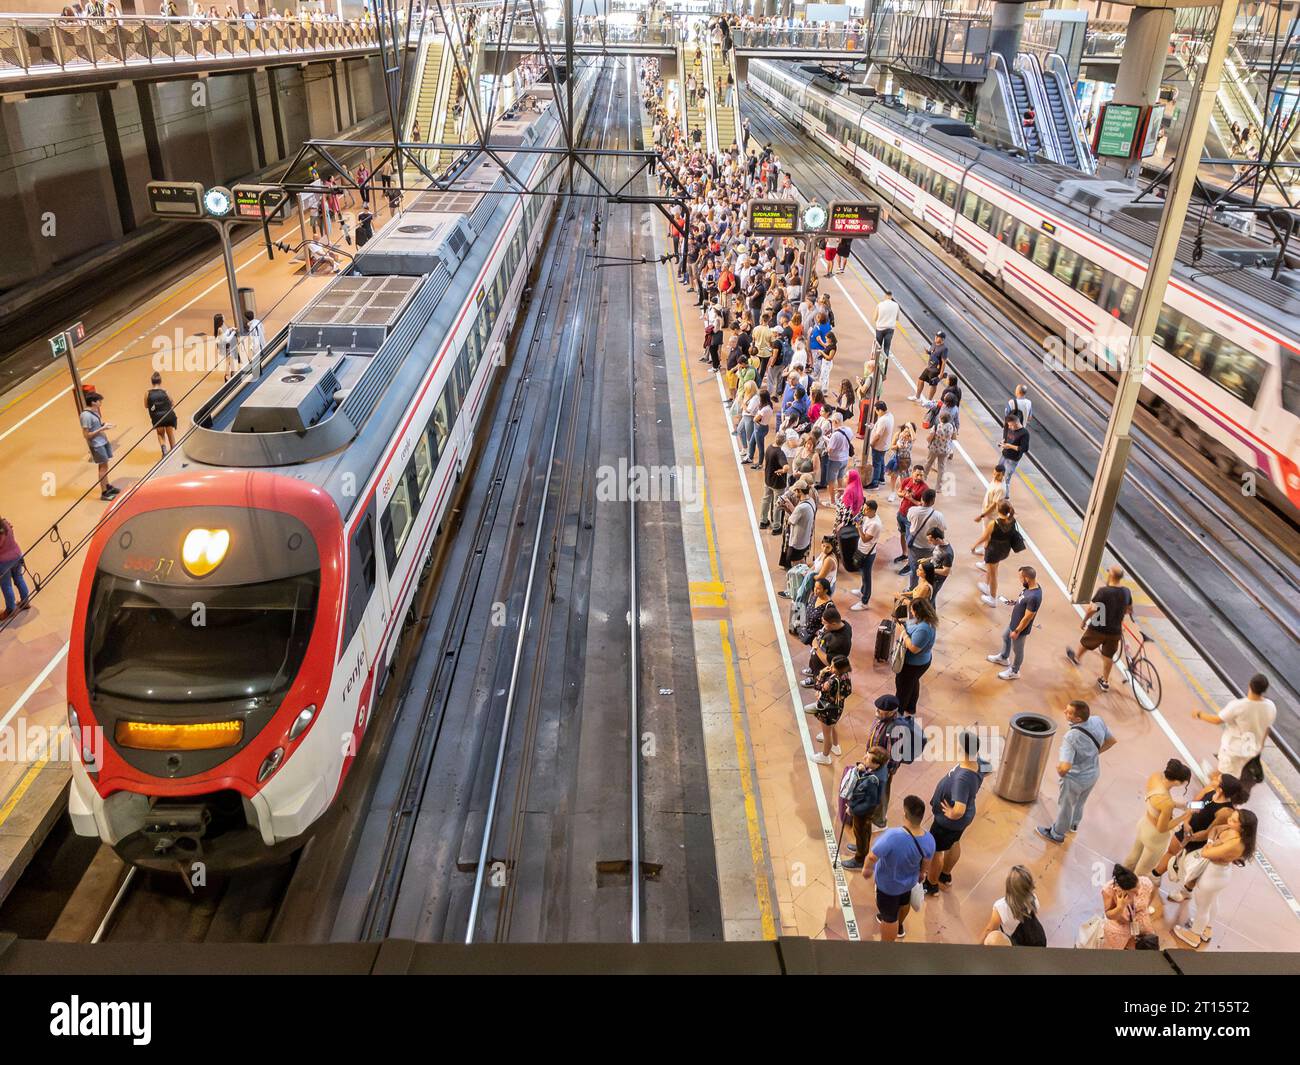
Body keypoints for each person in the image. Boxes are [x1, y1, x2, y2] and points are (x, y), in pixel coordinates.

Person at [1172, 809, 1257, 948]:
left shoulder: (1236, 844)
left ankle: (1194, 935)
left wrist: (1210, 845)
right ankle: (1207, 928)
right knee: (1212, 901)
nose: (1229, 821)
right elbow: (1216, 828)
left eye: (1234, 821)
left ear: (1243, 828)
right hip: (1219, 873)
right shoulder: (1232, 831)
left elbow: (1206, 853)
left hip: (1213, 876)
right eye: (1231, 817)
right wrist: (1212, 841)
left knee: (1202, 907)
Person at [1037, 700, 1116, 844]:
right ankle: (1073, 824)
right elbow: (1111, 740)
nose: (1064, 713)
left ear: (1078, 719)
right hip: (1093, 773)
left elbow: (1065, 767)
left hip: (1075, 779)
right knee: (1080, 802)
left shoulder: (1071, 737)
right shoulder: (1097, 721)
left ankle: (1057, 834)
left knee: (1065, 806)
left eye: (1068, 712)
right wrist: (1093, 753)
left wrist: (1060, 771)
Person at [864, 794, 934, 941]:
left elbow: (872, 856)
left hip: (888, 886)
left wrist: (867, 869)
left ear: (905, 814)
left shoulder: (892, 836)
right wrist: (922, 873)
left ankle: (887, 945)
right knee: (904, 902)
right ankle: (900, 925)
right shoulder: (929, 839)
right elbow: (927, 860)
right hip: (909, 882)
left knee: (889, 918)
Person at [922, 729, 982, 895]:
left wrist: (951, 814)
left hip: (948, 823)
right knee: (954, 842)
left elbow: (959, 810)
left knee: (936, 851)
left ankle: (931, 884)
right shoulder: (977, 762)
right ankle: (945, 875)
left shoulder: (962, 778)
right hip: (961, 822)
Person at [1194, 673, 1277, 779]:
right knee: (1233, 771)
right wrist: (1260, 747)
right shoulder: (1271, 706)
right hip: (1251, 749)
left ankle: (1214, 784)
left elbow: (1217, 720)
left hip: (1233, 748)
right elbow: (1267, 728)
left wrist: (1199, 714)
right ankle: (1217, 778)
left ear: (1250, 685)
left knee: (1223, 774)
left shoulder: (1238, 705)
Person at [1066, 564, 1133, 693]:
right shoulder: (1126, 591)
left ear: (1111, 575)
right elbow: (1129, 609)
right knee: (1108, 656)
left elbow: (1092, 609)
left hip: (1098, 626)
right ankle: (1105, 681)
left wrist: (1084, 621)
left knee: (1085, 642)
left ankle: (1076, 658)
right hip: (1115, 631)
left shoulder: (1104, 591)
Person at [1124, 759, 1192, 877]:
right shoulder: (1167, 803)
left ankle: (1121, 877)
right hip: (1154, 838)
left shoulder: (1155, 777)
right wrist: (1184, 816)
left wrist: (1179, 805)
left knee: (1133, 855)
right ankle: (1131, 888)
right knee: (1143, 870)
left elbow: (1157, 802)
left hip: (1144, 824)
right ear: (1176, 782)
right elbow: (1162, 828)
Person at [987, 565, 1041, 680]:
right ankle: (1004, 657)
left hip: (1020, 628)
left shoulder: (1034, 597)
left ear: (1027, 578)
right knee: (1005, 637)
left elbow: (1028, 617)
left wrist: (1017, 631)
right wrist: (1016, 602)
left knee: (1018, 650)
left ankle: (1015, 671)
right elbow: (1024, 600)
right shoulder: (1030, 587)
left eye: (1021, 578)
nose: (1020, 580)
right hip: (1014, 622)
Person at [839, 744, 888, 862]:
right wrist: (864, 768)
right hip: (863, 809)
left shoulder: (873, 781)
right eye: (866, 755)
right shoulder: (879, 769)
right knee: (863, 832)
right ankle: (862, 847)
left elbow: (870, 803)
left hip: (863, 812)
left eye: (867, 759)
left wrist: (852, 810)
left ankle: (859, 859)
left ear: (876, 764)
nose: (864, 758)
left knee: (861, 832)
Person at [980, 866, 1045, 946]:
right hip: (1038, 939)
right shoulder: (1034, 898)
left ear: (1009, 886)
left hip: (1018, 943)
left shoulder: (1001, 907)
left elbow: (989, 930)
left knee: (991, 938)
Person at [895, 598, 936, 717]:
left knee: (903, 688)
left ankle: (899, 713)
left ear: (919, 612)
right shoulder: (927, 619)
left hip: (913, 664)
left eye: (912, 610)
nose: (911, 613)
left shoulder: (924, 629)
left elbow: (913, 648)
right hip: (920, 662)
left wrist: (902, 632)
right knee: (912, 684)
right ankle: (911, 708)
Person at [1100, 864, 1157, 949]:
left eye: (1138, 888)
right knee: (1114, 948)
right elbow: (1109, 915)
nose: (1138, 893)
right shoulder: (1109, 891)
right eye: (1133, 891)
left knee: (1150, 941)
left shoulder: (1145, 883)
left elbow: (1150, 896)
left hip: (1140, 919)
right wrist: (1120, 907)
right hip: (1120, 925)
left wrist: (1144, 911)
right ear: (1123, 890)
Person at [810, 655, 853, 764]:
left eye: (833, 666)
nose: (830, 667)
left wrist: (821, 673)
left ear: (838, 669)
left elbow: (818, 686)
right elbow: (847, 692)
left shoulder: (832, 681)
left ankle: (825, 756)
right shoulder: (846, 676)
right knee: (834, 725)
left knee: (826, 735)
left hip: (828, 709)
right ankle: (835, 745)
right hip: (838, 708)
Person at [978, 500, 1019, 606]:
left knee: (993, 574)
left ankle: (993, 598)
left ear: (997, 509)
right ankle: (987, 587)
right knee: (993, 569)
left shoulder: (994, 523)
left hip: (993, 551)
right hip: (1004, 550)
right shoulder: (1012, 520)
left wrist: (973, 547)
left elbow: (984, 537)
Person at [803, 604, 852, 690]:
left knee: (820, 679)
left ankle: (815, 681)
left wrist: (816, 647)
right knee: (815, 668)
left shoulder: (840, 641)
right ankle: (813, 672)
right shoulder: (844, 624)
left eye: (825, 623)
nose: (823, 625)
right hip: (819, 658)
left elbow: (829, 662)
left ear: (833, 624)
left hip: (823, 668)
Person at [80, 392, 118, 500]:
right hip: (97, 444)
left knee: (105, 466)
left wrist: (104, 425)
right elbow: (86, 434)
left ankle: (107, 486)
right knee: (102, 467)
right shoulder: (86, 416)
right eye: (99, 401)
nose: (100, 403)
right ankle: (104, 492)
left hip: (102, 441)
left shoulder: (94, 412)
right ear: (93, 402)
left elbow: (95, 426)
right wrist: (102, 429)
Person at [850, 499, 882, 611]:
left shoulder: (875, 524)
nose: (863, 510)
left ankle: (864, 602)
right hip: (862, 550)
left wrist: (858, 527)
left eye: (866, 509)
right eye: (863, 508)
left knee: (867, 576)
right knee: (862, 573)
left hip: (867, 553)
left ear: (872, 510)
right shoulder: (868, 516)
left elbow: (864, 539)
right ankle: (862, 591)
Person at [971, 464, 1007, 557]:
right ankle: (984, 549)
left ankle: (986, 559)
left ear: (1003, 474)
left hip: (991, 515)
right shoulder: (995, 480)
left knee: (988, 536)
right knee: (985, 533)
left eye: (998, 475)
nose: (995, 476)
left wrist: (982, 515)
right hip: (986, 512)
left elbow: (994, 505)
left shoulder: (1001, 489)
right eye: (994, 473)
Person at [0, 516, 32, 621]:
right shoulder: (5, 523)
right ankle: (25, 602)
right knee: (19, 578)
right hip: (17, 555)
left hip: (4, 561)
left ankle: (11, 609)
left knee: (6, 585)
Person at [909, 330, 947, 404]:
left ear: (942, 339)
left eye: (938, 337)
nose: (936, 337)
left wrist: (941, 373)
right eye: (936, 336)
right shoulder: (934, 343)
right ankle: (917, 396)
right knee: (920, 380)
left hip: (935, 370)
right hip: (929, 367)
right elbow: (932, 352)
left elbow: (944, 361)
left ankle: (929, 400)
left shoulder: (944, 348)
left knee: (933, 384)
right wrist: (928, 352)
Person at [145, 371, 177, 456]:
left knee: (160, 433)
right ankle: (173, 450)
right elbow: (173, 403)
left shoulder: (147, 393)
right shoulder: (165, 391)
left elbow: (146, 405)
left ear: (152, 382)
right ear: (160, 381)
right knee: (170, 434)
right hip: (168, 415)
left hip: (157, 417)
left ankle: (164, 449)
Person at [999, 412, 1030, 496]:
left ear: (1016, 423)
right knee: (999, 473)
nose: (1009, 427)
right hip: (1004, 454)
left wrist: (1010, 446)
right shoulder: (1008, 426)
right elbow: (1005, 434)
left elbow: (1024, 449)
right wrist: (1003, 441)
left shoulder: (1024, 433)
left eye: (1010, 425)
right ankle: (998, 491)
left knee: (1006, 478)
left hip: (1013, 459)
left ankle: (1006, 496)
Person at [923, 526, 953, 604]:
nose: (929, 542)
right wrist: (927, 559)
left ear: (937, 539)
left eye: (930, 540)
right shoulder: (939, 545)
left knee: (930, 599)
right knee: (927, 596)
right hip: (932, 574)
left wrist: (929, 569)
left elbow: (946, 571)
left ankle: (930, 614)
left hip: (937, 580)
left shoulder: (947, 553)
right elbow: (937, 556)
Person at [866, 400, 893, 489]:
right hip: (885, 444)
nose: (877, 413)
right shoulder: (890, 416)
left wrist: (872, 443)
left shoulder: (883, 420)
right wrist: (874, 426)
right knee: (881, 461)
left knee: (876, 464)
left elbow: (878, 435)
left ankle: (875, 483)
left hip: (879, 445)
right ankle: (881, 478)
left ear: (880, 410)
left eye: (877, 411)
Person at [873, 290, 899, 362]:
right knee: (886, 348)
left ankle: (876, 362)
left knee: (878, 347)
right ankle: (883, 365)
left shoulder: (880, 304)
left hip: (880, 328)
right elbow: (897, 318)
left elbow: (874, 318)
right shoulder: (896, 305)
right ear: (891, 297)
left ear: (885, 296)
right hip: (890, 329)